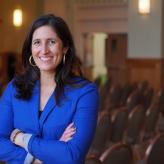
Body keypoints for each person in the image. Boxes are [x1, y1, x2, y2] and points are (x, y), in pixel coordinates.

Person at [0, 14, 99, 164]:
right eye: (37, 43)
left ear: (65, 47)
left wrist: (22, 138)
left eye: (51, 42)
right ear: (31, 49)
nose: (44, 50)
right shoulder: (14, 88)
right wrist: (34, 160)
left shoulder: (85, 93)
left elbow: (71, 155)